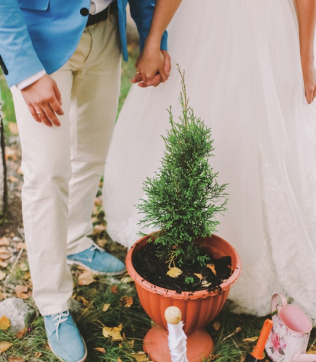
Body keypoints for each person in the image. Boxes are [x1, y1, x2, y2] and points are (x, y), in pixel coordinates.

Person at [103, 0, 316, 322]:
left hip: (270, 33)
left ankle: (249, 251)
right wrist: (153, 42)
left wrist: (304, 58)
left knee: (264, 130)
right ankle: (183, 240)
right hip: (202, 23)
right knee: (194, 115)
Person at [0, 0, 181, 362]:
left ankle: (73, 237)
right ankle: (53, 302)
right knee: (48, 174)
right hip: (41, 41)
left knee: (92, 151)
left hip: (105, 32)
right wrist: (27, 73)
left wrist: (151, 39)